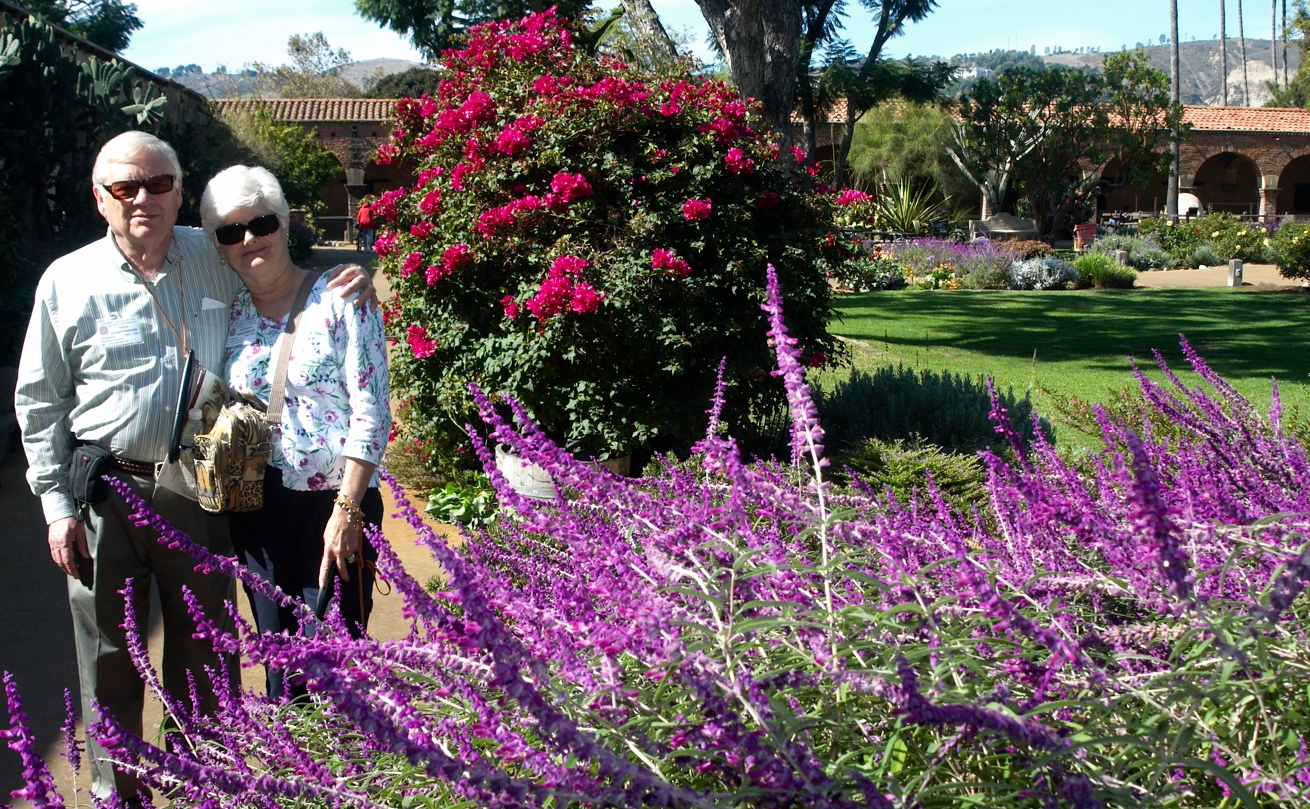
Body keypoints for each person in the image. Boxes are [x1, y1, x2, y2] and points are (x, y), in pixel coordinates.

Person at [14, 131, 376, 805]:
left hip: (200, 486)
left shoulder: (212, 254)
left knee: (205, 651)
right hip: (105, 488)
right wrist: (55, 509)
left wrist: (339, 282)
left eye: (158, 183)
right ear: (100, 198)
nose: (143, 197)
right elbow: (38, 401)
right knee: (108, 655)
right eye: (125, 186)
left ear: (180, 188)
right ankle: (117, 791)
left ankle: (203, 783)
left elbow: (277, 274)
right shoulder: (66, 280)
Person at [201, 165, 389, 699]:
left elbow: (372, 414)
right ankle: (295, 772)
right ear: (218, 247)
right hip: (257, 508)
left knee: (335, 655)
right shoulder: (230, 311)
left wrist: (348, 512)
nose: (248, 240)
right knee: (279, 658)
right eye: (230, 232)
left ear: (284, 224)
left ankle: (345, 775)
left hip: (334, 504)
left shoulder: (342, 300)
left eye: (260, 223)